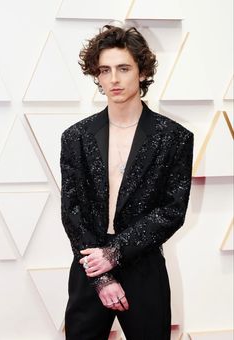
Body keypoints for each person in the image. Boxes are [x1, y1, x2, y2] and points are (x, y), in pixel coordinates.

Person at [60, 24, 194, 340]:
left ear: (142, 71)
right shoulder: (76, 137)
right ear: (96, 75)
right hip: (89, 264)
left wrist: (115, 252)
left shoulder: (173, 138)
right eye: (105, 70)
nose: (114, 79)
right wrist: (101, 276)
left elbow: (172, 211)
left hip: (144, 264)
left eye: (123, 68)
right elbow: (71, 209)